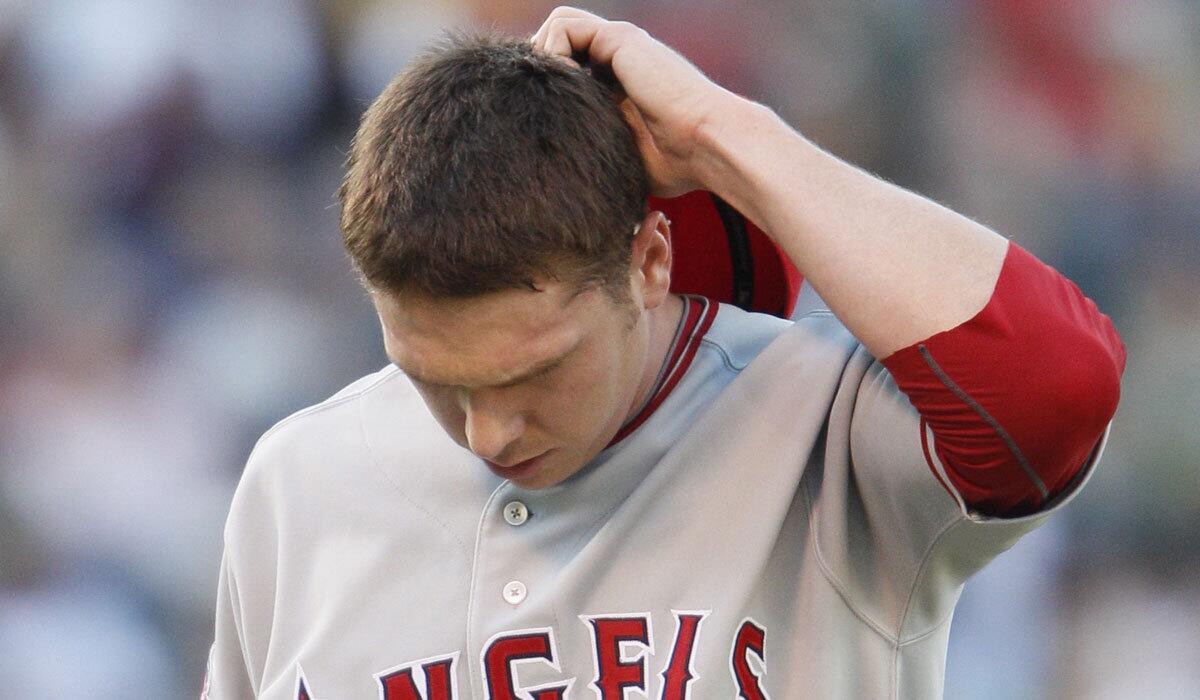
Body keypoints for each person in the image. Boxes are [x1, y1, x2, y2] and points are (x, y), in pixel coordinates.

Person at [204, 7, 1125, 699]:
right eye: (435, 379)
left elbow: (1059, 385)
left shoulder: (823, 424)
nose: (487, 431)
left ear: (649, 259)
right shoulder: (299, 482)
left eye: (532, 372)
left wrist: (728, 137)